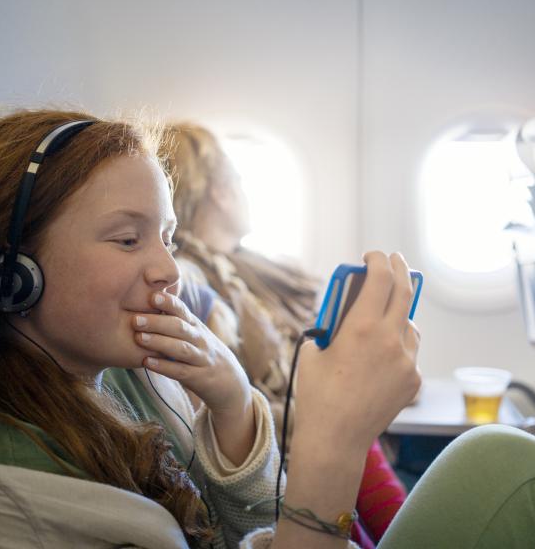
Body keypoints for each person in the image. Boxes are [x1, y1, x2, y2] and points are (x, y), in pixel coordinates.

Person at [0, 109, 535, 549]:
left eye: (166, 238)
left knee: (500, 456)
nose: (168, 269)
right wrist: (332, 447)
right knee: (517, 470)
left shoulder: (130, 377)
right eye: (126, 239)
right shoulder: (4, 503)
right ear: (12, 276)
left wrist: (231, 400)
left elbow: (244, 530)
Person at [163, 122, 408, 546]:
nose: (245, 194)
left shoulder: (250, 269)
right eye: (239, 182)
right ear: (220, 192)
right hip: (284, 444)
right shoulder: (191, 280)